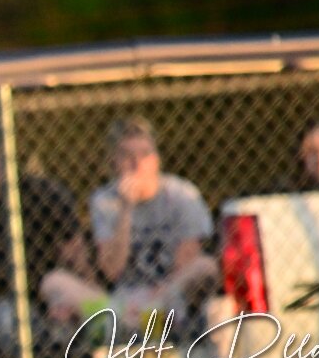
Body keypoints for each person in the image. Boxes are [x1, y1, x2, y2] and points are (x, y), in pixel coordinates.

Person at [41, 116, 218, 333]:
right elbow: (112, 270)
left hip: (165, 296)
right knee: (53, 282)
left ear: (156, 160)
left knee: (205, 266)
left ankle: (131, 325)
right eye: (126, 155)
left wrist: (155, 298)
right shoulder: (104, 200)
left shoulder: (181, 195)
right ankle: (125, 324)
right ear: (113, 162)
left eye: (145, 154)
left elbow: (184, 262)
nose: (137, 163)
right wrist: (125, 209)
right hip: (122, 302)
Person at [0, 119, 92, 358]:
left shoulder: (43, 194)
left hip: (41, 305)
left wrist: (68, 301)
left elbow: (78, 261)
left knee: (60, 289)